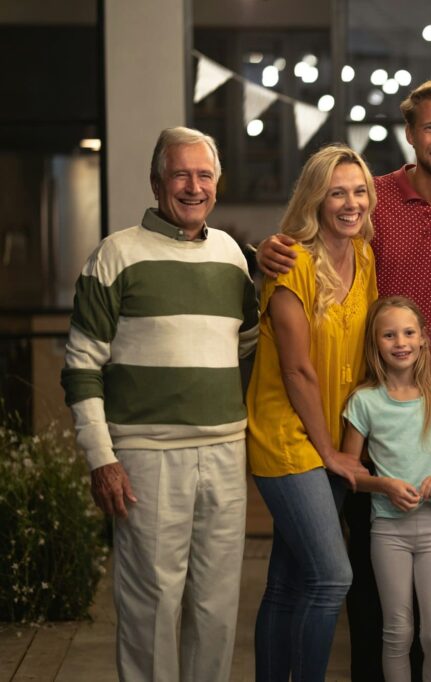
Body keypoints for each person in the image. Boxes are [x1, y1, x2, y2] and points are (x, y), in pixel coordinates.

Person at [256, 80, 431, 681]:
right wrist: (264, 251)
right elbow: (313, 239)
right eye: (430, 127)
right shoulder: (378, 203)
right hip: (361, 414)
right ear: (410, 134)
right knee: (359, 582)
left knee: (424, 599)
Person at [60, 127, 258, 682]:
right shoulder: (115, 255)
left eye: (204, 175)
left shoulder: (234, 259)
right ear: (156, 182)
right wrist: (102, 458)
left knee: (217, 609)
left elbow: (249, 348)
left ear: (216, 184)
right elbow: (80, 365)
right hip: (145, 457)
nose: (193, 187)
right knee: (151, 608)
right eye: (180, 174)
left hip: (223, 451)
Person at [245, 143, 374, 681]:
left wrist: (347, 445)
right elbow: (297, 371)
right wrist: (332, 454)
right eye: (336, 192)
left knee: (288, 582)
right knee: (331, 577)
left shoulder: (365, 257)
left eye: (359, 191)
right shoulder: (293, 263)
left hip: (333, 436)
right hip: (288, 436)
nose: (350, 203)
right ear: (315, 200)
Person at [342, 296, 431, 682]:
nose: (400, 342)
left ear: (423, 340)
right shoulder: (365, 401)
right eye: (389, 334)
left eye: (408, 332)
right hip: (388, 532)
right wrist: (383, 484)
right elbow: (351, 471)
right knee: (397, 632)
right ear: (375, 344)